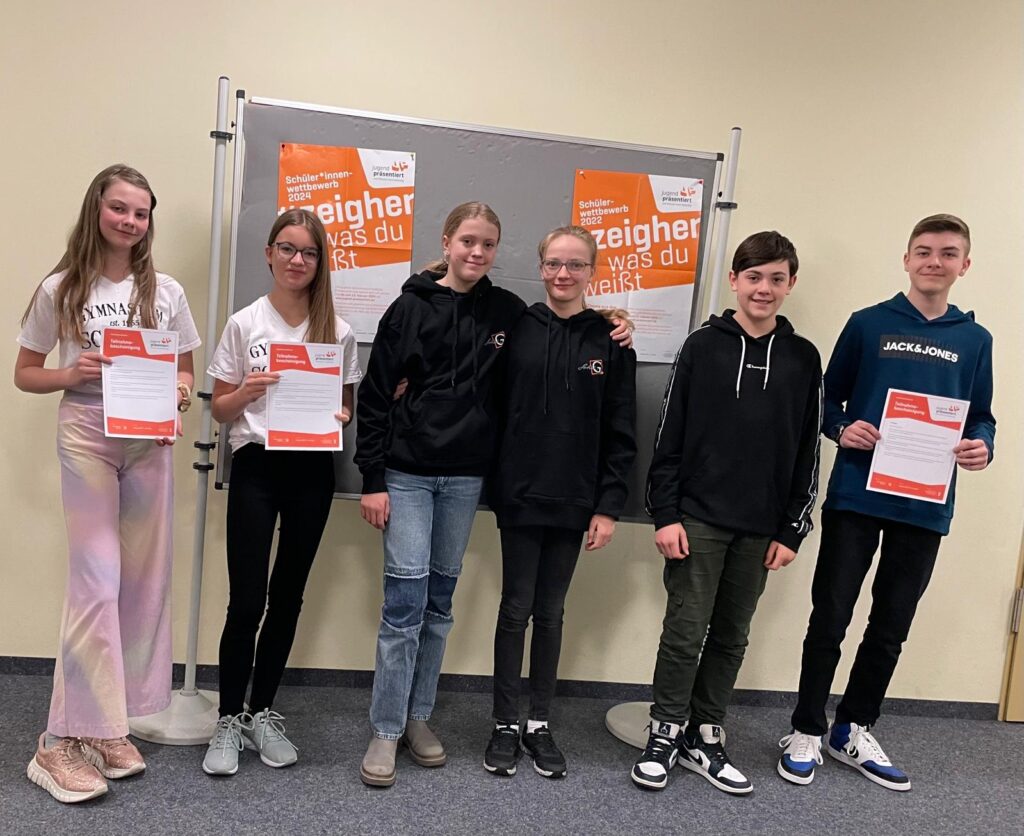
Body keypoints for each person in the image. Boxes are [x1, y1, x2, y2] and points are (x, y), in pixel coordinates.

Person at [354, 202, 632, 787]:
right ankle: (385, 728)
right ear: (447, 242)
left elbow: (573, 332)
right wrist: (372, 478)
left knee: (439, 605)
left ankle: (418, 717)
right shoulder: (412, 307)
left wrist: (613, 317)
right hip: (409, 473)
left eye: (487, 244)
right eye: (468, 241)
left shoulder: (508, 313)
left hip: (466, 479)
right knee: (405, 603)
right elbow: (376, 393)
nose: (477, 252)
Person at [777, 214, 994, 792]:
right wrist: (841, 427)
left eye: (947, 253)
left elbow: (981, 417)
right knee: (830, 616)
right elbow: (826, 401)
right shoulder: (869, 324)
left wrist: (982, 445)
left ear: (964, 265)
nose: (934, 262)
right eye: (923, 251)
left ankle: (852, 728)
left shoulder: (975, 340)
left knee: (891, 625)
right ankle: (805, 728)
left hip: (924, 505)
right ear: (906, 259)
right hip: (857, 494)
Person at [16, 165, 201, 803]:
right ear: (96, 208)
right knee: (96, 582)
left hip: (148, 442)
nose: (130, 221)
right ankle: (55, 743)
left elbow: (185, 371)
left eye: (141, 213)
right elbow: (25, 373)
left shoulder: (166, 291)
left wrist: (178, 397)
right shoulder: (61, 287)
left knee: (144, 584)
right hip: (87, 435)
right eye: (119, 208)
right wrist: (72, 374)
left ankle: (103, 726)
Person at [631, 231, 822, 794]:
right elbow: (668, 435)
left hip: (762, 526)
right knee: (685, 629)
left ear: (791, 284)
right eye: (754, 276)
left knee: (733, 635)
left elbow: (808, 450)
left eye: (776, 278)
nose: (764, 288)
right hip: (697, 518)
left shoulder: (803, 358)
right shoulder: (702, 346)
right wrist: (666, 514)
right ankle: (665, 731)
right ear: (734, 280)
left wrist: (793, 528)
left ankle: (705, 734)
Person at [202, 209, 362, 776]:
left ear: (321, 262)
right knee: (247, 600)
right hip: (257, 467)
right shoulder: (245, 323)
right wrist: (247, 390)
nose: (298, 260)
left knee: (288, 596)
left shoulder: (337, 331)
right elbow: (219, 410)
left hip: (312, 470)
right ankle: (227, 717)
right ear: (268, 253)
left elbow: (344, 407)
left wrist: (340, 416)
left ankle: (261, 712)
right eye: (288, 249)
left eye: (309, 252)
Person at [484, 225, 636, 779]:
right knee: (514, 609)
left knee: (551, 613)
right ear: (541, 267)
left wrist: (609, 506)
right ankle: (505, 722)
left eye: (575, 265)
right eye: (553, 263)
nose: (563, 274)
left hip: (576, 498)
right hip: (520, 493)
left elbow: (621, 429)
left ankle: (538, 722)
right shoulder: (515, 327)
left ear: (592, 271)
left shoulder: (611, 340)